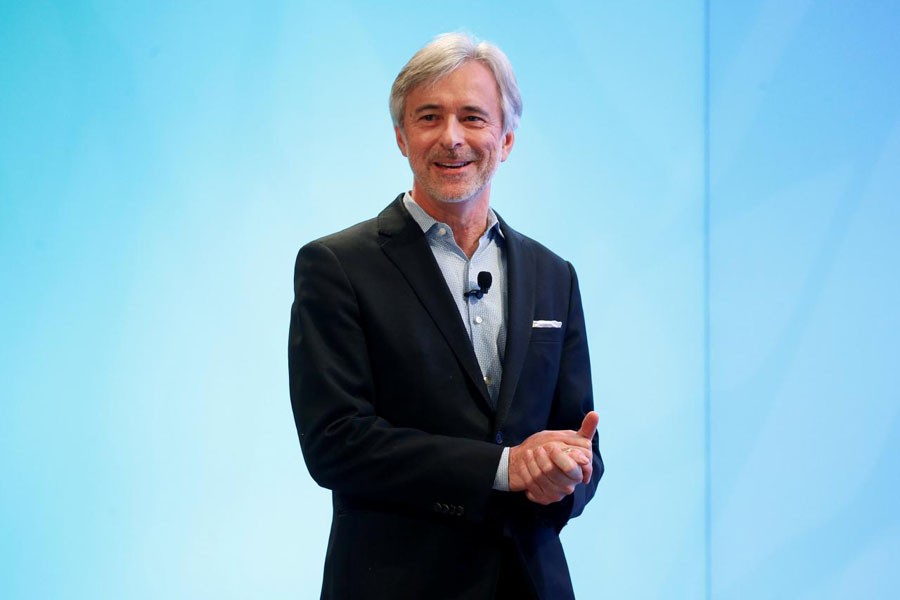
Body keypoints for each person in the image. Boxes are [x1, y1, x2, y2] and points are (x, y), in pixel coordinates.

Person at [288, 32, 603, 600]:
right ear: (402, 137)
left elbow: (581, 442)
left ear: (505, 139)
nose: (451, 138)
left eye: (473, 118)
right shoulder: (336, 265)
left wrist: (566, 476)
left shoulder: (555, 275)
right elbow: (337, 441)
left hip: (531, 583)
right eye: (429, 116)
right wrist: (505, 468)